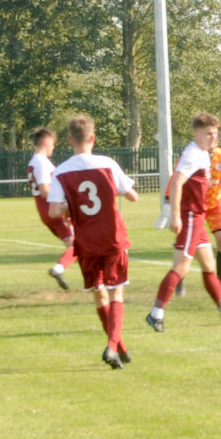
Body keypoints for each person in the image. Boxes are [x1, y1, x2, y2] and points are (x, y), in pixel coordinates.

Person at [47, 114, 138, 370]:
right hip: (112, 237)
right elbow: (132, 196)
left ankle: (120, 347)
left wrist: (70, 207)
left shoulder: (61, 171)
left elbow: (54, 211)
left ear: (69, 140)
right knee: (116, 290)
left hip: (85, 242)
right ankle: (112, 346)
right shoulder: (107, 164)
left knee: (99, 295)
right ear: (93, 138)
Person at [145, 112, 221, 333]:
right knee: (180, 268)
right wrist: (174, 216)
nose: (213, 138)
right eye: (208, 134)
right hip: (190, 216)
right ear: (197, 133)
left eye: (216, 134)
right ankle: (156, 313)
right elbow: (177, 183)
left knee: (209, 266)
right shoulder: (193, 154)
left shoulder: (201, 153)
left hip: (197, 217)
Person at [164, 135, 221, 296]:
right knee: (189, 245)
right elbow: (176, 178)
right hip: (193, 205)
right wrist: (168, 206)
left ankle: (218, 284)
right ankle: (180, 277)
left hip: (214, 203)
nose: (211, 148)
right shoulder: (192, 157)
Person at [27, 127, 78, 289]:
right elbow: (44, 191)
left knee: (74, 245)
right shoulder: (40, 162)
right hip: (54, 210)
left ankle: (67, 270)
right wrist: (65, 203)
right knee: (77, 246)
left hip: (45, 212)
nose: (53, 147)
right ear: (46, 142)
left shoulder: (34, 162)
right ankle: (58, 269)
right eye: (53, 144)